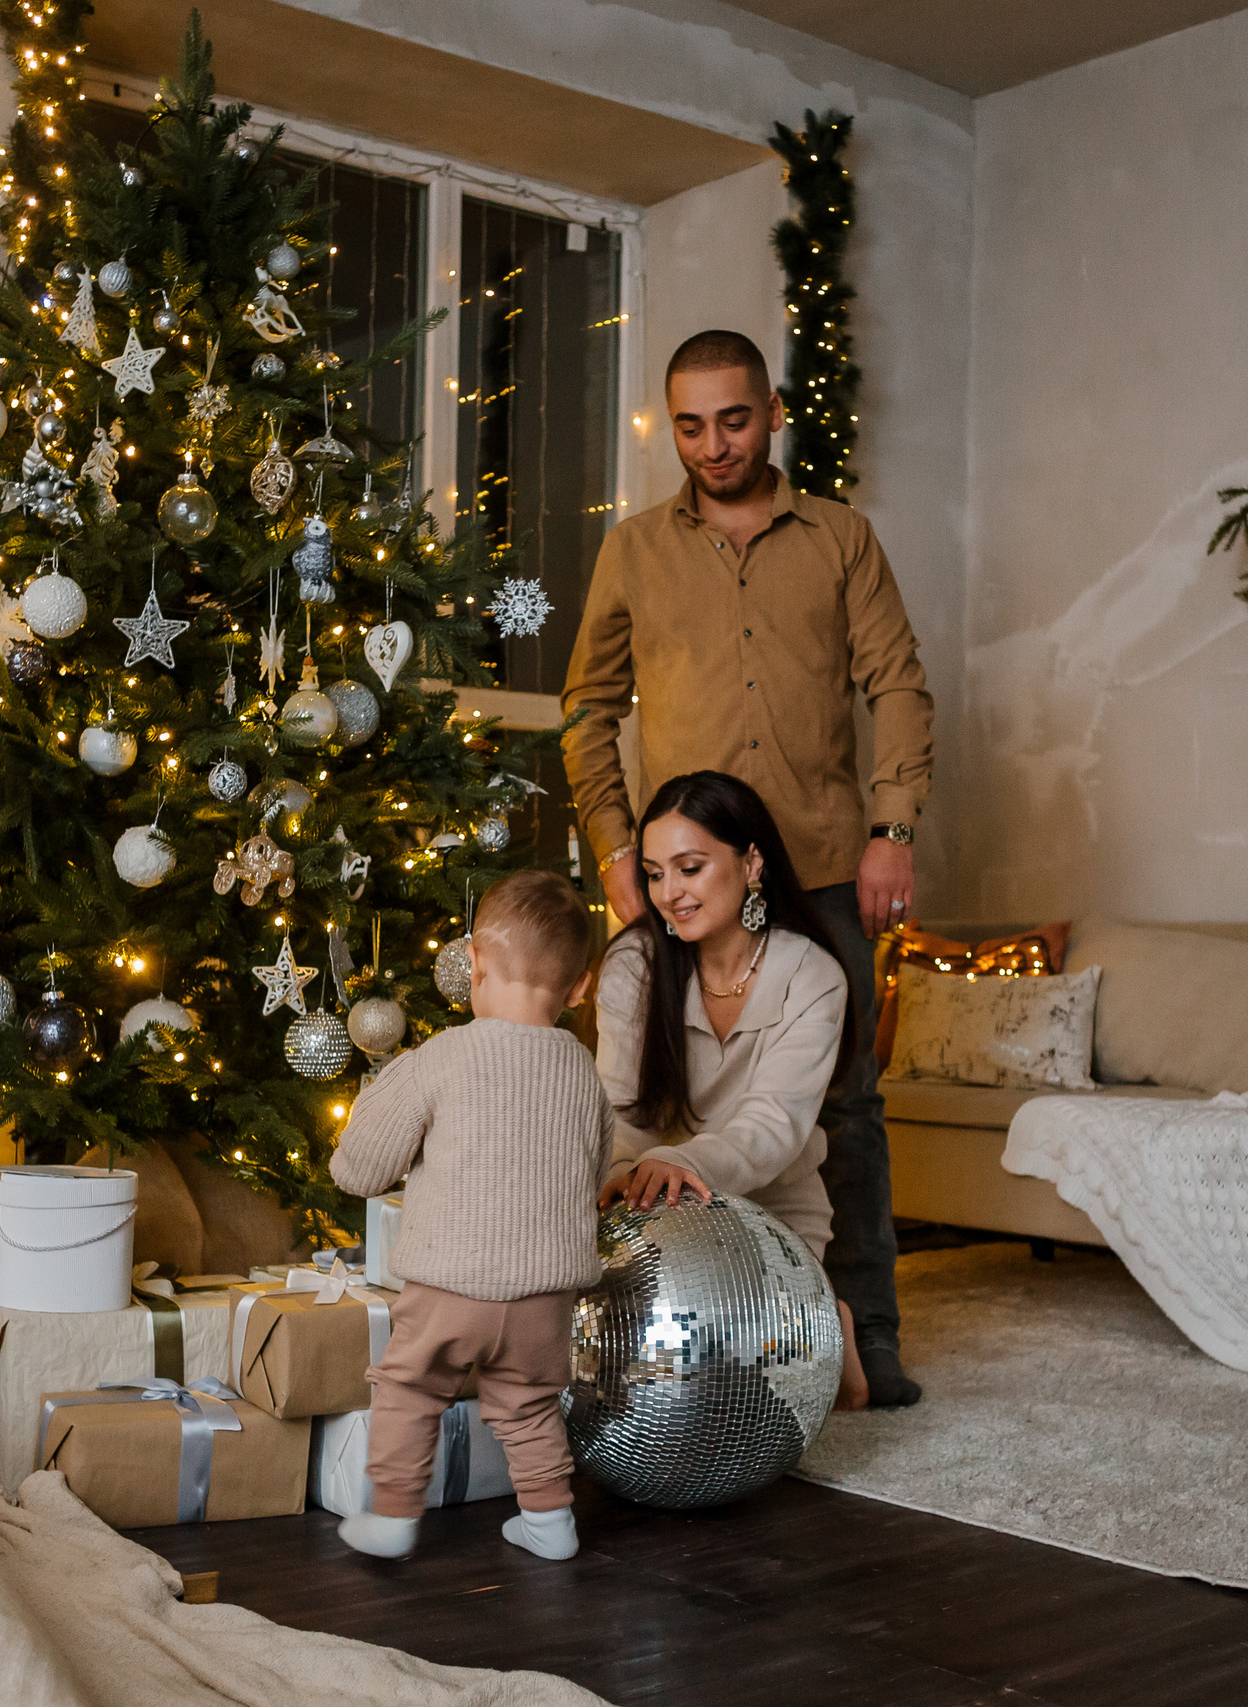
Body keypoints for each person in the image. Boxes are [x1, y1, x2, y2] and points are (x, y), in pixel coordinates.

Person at [562, 328, 931, 1409]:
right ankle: (674, 1317)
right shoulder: (632, 551)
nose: (713, 443)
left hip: (817, 864)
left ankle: (861, 1328)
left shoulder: (841, 538)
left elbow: (897, 685)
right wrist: (617, 853)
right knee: (650, 1093)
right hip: (688, 876)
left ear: (772, 413)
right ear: (668, 427)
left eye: (733, 418)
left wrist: (891, 828)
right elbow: (588, 711)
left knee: (847, 1107)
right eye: (689, 424)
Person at [326, 869, 612, 1562]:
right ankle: (549, 1518)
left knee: (410, 1386)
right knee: (528, 1401)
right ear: (579, 988)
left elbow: (358, 1168)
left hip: (450, 1284)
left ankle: (393, 1514)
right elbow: (594, 1172)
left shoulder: (442, 1057)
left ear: (474, 964)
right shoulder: (584, 1071)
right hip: (547, 1293)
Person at [592, 770, 873, 1409]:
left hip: (772, 1211)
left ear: (751, 862)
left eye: (689, 868)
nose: (670, 893)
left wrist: (678, 1161)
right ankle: (821, 1318)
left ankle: (827, 1317)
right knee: (655, 1387)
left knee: (741, 1400)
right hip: (653, 1201)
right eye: (656, 874)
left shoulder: (813, 975)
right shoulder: (633, 965)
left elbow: (773, 1126)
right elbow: (621, 1108)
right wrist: (619, 1174)